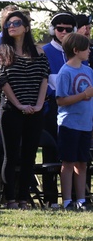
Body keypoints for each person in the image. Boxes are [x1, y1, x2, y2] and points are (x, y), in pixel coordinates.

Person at [0, 11, 49, 209]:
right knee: (11, 155)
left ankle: (24, 198)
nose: (12, 26)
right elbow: (2, 81)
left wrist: (39, 105)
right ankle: (10, 199)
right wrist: (19, 105)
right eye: (8, 24)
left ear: (26, 27)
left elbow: (44, 78)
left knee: (29, 154)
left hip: (35, 109)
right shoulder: (2, 52)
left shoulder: (39, 52)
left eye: (16, 23)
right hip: (11, 110)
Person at [53, 33, 92, 211]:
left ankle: (82, 200)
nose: (89, 50)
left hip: (86, 124)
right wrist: (84, 95)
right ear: (76, 51)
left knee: (82, 163)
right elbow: (60, 100)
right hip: (69, 124)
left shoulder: (89, 71)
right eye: (86, 48)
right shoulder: (65, 72)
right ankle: (67, 200)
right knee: (68, 163)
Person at [43, 13, 77, 145]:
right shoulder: (43, 51)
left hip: (76, 105)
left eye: (68, 29)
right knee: (52, 146)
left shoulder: (78, 51)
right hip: (52, 106)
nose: (64, 32)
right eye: (60, 29)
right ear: (53, 30)